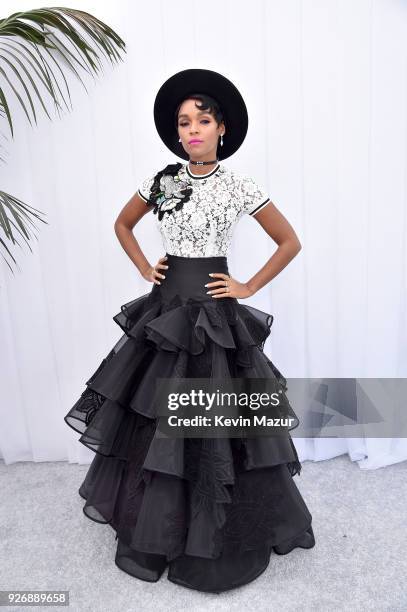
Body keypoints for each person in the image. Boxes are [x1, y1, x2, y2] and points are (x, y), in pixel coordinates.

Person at [64, 68, 315, 594]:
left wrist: (246, 286)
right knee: (154, 416)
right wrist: (142, 267)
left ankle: (218, 530)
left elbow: (288, 241)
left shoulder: (239, 184)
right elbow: (122, 224)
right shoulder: (163, 180)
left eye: (203, 120)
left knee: (216, 417)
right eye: (184, 122)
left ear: (221, 127)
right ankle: (158, 523)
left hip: (213, 315)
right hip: (165, 313)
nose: (193, 129)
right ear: (176, 133)